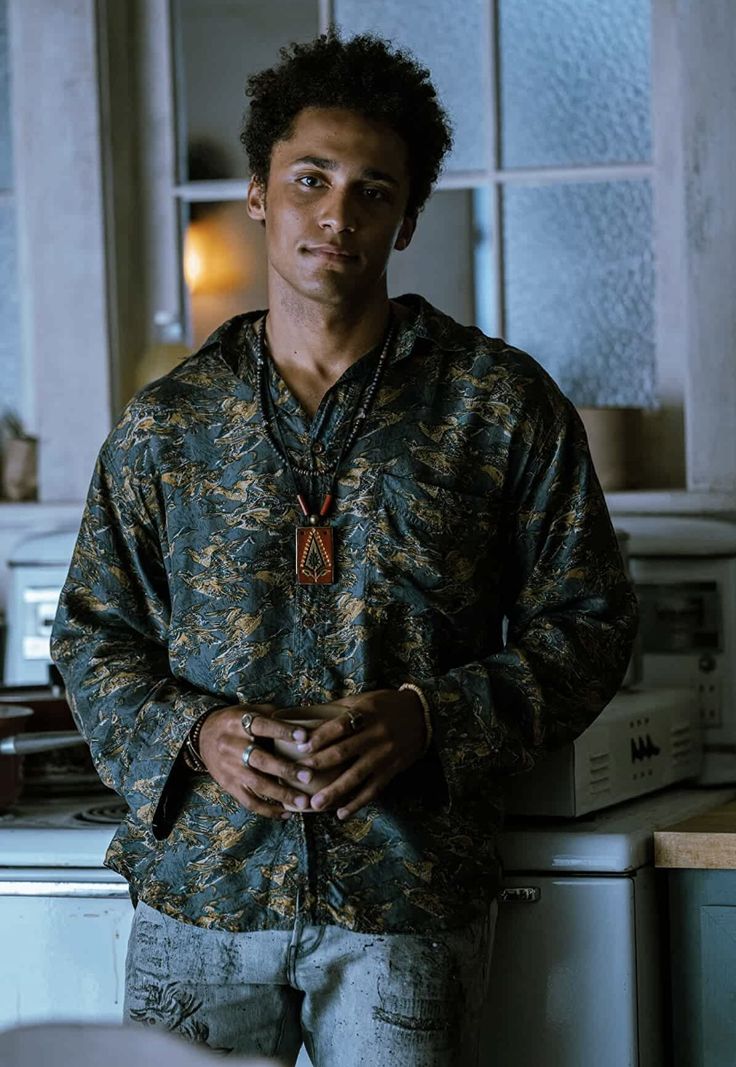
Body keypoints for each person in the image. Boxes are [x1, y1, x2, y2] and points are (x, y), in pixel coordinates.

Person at [51, 31, 638, 1067]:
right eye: (311, 179)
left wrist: (428, 718)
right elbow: (94, 636)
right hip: (202, 896)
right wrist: (198, 732)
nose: (337, 213)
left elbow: (590, 626)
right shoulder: (167, 423)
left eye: (373, 190)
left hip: (404, 896)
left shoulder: (498, 405)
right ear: (260, 196)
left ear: (406, 217)